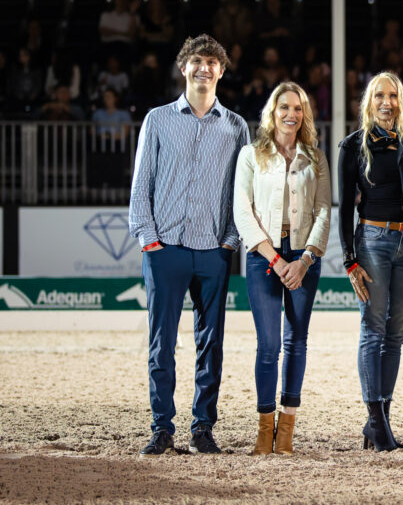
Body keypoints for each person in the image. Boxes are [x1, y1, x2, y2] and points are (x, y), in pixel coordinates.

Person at [128, 34, 250, 457]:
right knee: (162, 342)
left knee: (210, 343)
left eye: (212, 62)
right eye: (197, 60)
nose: (204, 67)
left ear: (221, 71)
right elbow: (141, 184)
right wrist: (149, 240)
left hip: (213, 250)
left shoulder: (236, 127)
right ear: (184, 67)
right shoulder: (158, 120)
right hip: (165, 248)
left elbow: (241, 191)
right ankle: (162, 427)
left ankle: (203, 427)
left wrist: (230, 242)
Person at [233, 82, 330, 456]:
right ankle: (264, 429)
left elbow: (324, 211)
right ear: (272, 112)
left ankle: (286, 429)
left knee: (297, 341)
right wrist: (276, 260)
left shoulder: (315, 158)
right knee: (269, 345)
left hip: (304, 257)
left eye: (298, 108)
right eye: (284, 107)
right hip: (264, 256)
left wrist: (304, 261)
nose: (291, 114)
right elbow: (243, 211)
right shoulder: (250, 155)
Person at [338, 72, 403, 452]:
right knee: (373, 329)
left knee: (395, 334)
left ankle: (380, 421)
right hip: (373, 241)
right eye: (379, 96)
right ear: (369, 102)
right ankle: (377, 422)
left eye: (393, 96)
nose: (386, 102)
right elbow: (345, 207)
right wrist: (349, 260)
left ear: (401, 102)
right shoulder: (353, 146)